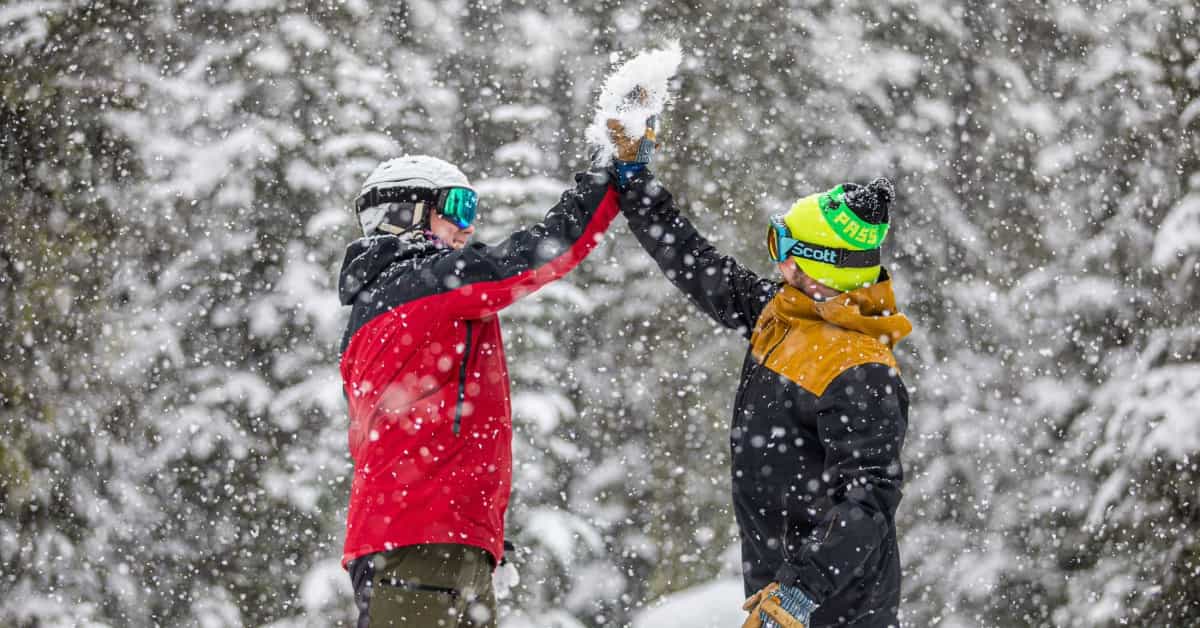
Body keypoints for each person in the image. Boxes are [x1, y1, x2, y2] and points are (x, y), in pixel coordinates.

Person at [336, 137, 649, 627]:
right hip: (417, 545)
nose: (468, 226)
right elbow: (533, 256)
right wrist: (605, 181)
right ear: (402, 215)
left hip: (444, 543)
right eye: (455, 209)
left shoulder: (395, 300)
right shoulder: (418, 283)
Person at [614, 152, 912, 627]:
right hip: (775, 593)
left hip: (836, 611)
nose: (777, 259)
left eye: (784, 244)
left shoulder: (860, 369)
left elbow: (870, 499)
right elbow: (700, 266)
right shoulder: (785, 316)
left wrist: (802, 591)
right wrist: (635, 185)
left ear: (818, 266)